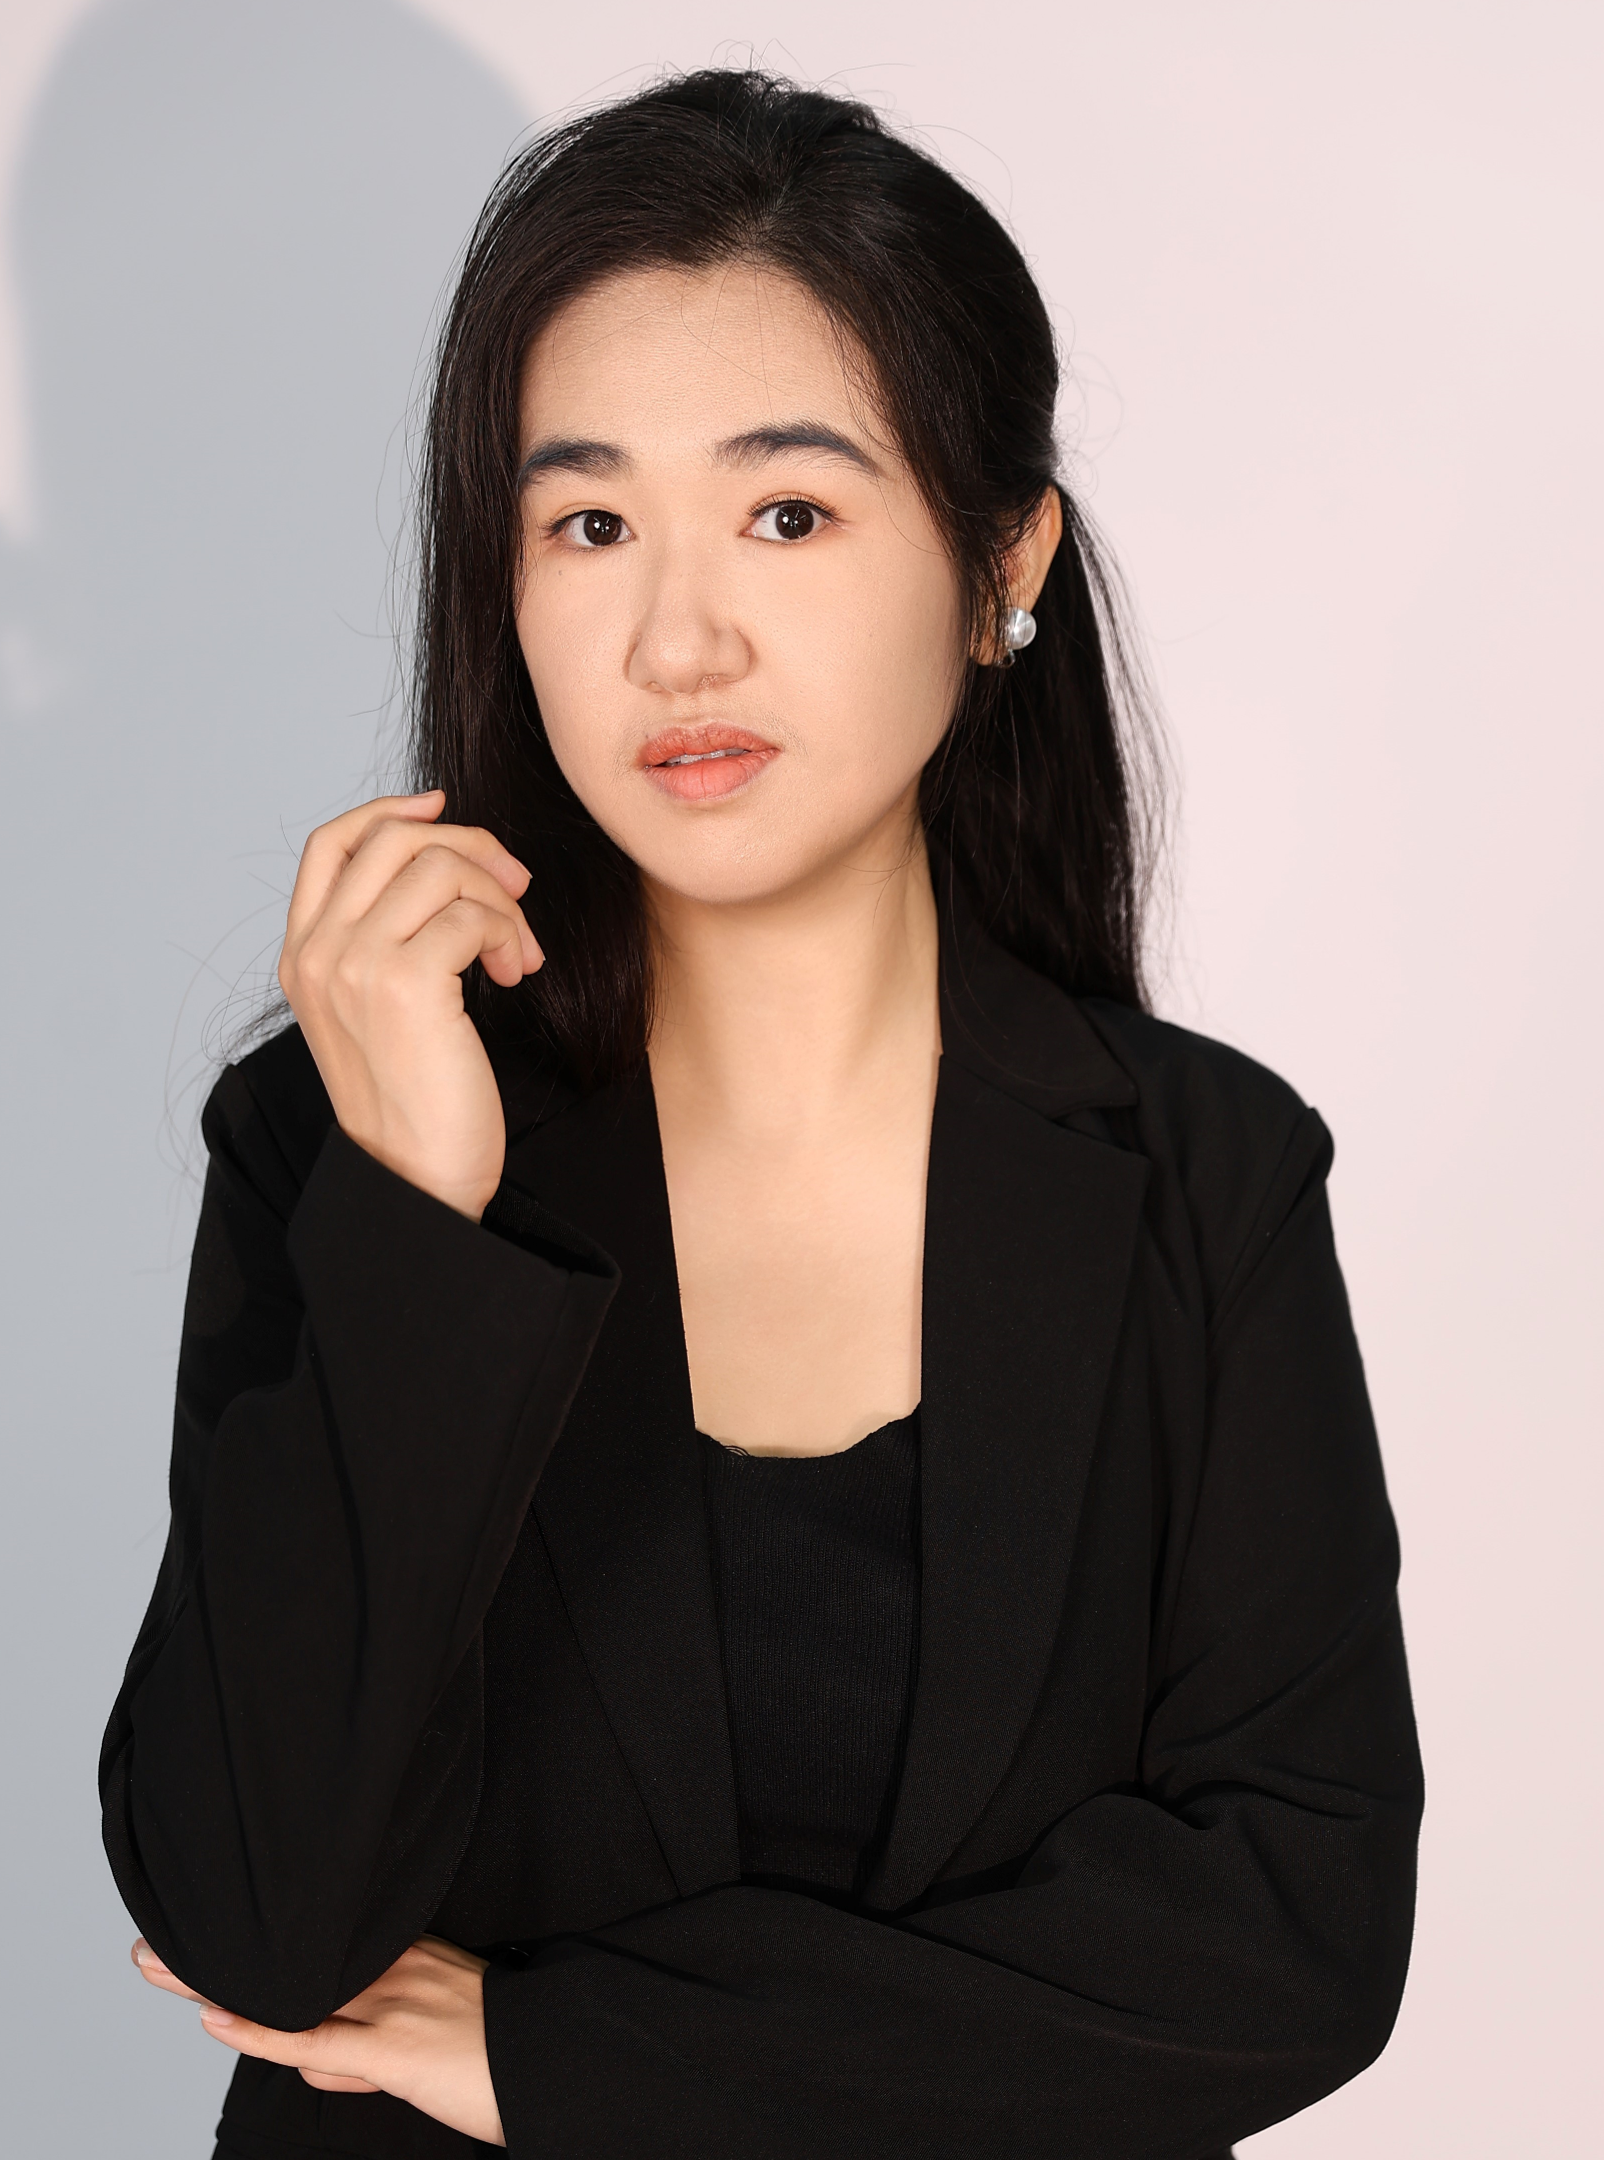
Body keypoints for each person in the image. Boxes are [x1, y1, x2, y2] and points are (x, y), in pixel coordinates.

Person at [102, 68, 1422, 2160]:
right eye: (589, 524)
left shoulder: (1205, 1181)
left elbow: (1293, 1939)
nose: (678, 637)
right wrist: (420, 1214)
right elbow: (257, 1922)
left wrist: (556, 2055)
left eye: (787, 514)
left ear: (999, 563)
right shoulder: (337, 1149)